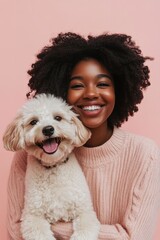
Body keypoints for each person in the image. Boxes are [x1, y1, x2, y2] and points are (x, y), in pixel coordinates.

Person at [7, 32, 160, 240]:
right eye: (77, 85)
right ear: (62, 91)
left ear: (119, 90)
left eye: (103, 84)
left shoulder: (146, 155)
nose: (90, 93)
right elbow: (16, 230)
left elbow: (136, 237)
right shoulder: (31, 152)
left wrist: (53, 227)